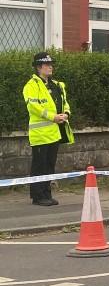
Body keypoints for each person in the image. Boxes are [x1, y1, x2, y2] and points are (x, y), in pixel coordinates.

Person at [23, 52, 74, 206]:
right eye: (47, 64)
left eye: (52, 64)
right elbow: (34, 107)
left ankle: (47, 194)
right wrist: (53, 117)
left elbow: (65, 102)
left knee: (49, 165)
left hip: (54, 133)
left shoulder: (58, 85)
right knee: (39, 166)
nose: (51, 67)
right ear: (39, 67)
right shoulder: (31, 86)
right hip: (39, 134)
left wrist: (65, 113)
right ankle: (38, 197)